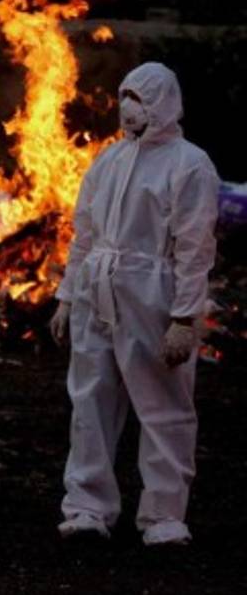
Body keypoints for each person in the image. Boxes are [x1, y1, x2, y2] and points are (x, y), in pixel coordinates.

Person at [50, 62, 219, 546]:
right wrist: (67, 295)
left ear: (163, 103)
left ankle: (164, 515)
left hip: (153, 292)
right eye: (125, 96)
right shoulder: (109, 160)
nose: (129, 107)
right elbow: (85, 233)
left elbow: (193, 248)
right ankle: (87, 508)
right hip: (97, 289)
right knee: (91, 398)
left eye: (140, 98)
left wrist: (185, 318)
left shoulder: (190, 164)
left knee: (163, 402)